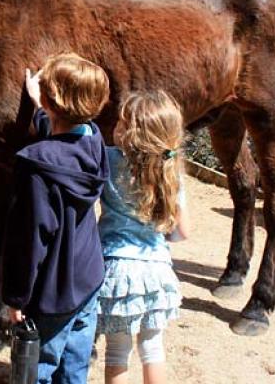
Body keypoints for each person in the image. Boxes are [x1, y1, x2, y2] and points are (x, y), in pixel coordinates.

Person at [2, 52, 110, 384]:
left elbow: (29, 240)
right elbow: (64, 138)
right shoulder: (94, 140)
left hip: (51, 293)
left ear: (51, 100)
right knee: (75, 368)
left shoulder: (35, 164)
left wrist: (15, 297)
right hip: (88, 278)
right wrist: (41, 107)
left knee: (38, 370)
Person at [96, 90, 191, 384]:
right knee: (152, 348)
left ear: (129, 133)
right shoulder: (171, 169)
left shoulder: (107, 159)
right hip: (156, 271)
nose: (115, 126)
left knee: (116, 352)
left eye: (121, 122)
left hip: (115, 269)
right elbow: (182, 231)